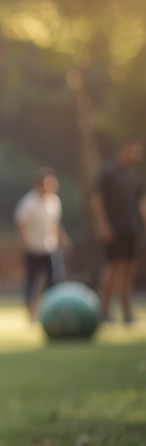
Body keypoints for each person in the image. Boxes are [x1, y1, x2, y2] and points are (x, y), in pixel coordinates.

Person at [91, 136, 145, 324]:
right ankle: (104, 313)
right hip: (114, 228)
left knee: (129, 270)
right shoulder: (108, 171)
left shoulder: (135, 174)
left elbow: (141, 203)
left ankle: (127, 313)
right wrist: (102, 224)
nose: (137, 154)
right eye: (134, 149)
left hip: (132, 228)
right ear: (124, 148)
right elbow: (96, 198)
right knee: (112, 268)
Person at [14, 168, 70, 321]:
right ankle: (31, 315)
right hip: (33, 248)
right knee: (32, 282)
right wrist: (26, 244)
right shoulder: (28, 203)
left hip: (50, 247)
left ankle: (52, 312)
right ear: (40, 184)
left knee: (55, 281)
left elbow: (54, 223)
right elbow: (21, 224)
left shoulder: (54, 201)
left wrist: (62, 238)